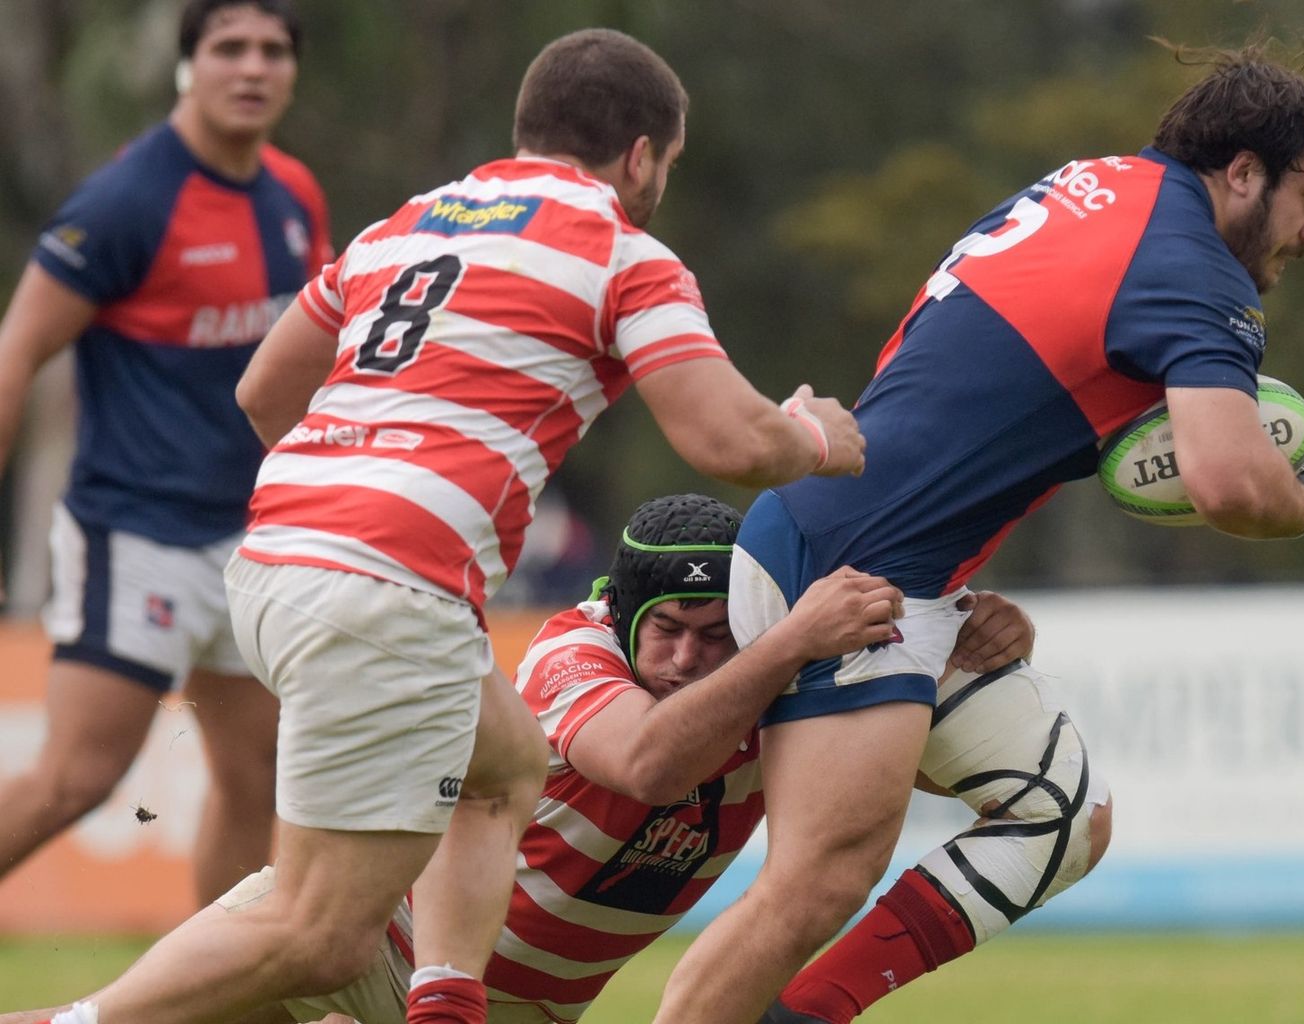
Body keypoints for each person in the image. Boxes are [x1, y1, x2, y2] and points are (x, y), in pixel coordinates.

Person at [31, 29, 866, 1024]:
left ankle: (444, 1004)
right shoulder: (623, 252)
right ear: (641, 154)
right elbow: (730, 440)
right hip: (387, 581)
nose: (659, 186)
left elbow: (261, 391)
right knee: (319, 932)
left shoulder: (405, 225)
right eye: (667, 167)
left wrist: (358, 480)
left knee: (505, 763)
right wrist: (818, 435)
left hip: (271, 556)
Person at [650, 45, 1304, 1024]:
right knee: (816, 882)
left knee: (1067, 814)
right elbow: (1232, 484)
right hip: (853, 572)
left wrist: (956, 584)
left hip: (882, 555)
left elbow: (1002, 391)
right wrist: (1302, 494)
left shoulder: (1104, 185)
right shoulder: (1194, 267)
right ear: (1242, 171)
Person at [0, 493, 1042, 1024]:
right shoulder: (573, 648)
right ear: (623, 612)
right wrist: (780, 646)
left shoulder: (785, 685)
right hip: (380, 935)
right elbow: (643, 764)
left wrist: (972, 652)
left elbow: (928, 769)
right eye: (667, 629)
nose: (687, 658)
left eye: (714, 632)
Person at [0, 0, 329, 907]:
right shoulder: (128, 201)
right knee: (79, 776)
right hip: (135, 530)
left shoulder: (294, 195)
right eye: (230, 48)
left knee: (257, 776)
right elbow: (17, 348)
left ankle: (215, 999)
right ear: (191, 65)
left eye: (273, 49)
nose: (253, 67)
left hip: (251, 540)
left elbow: (311, 356)